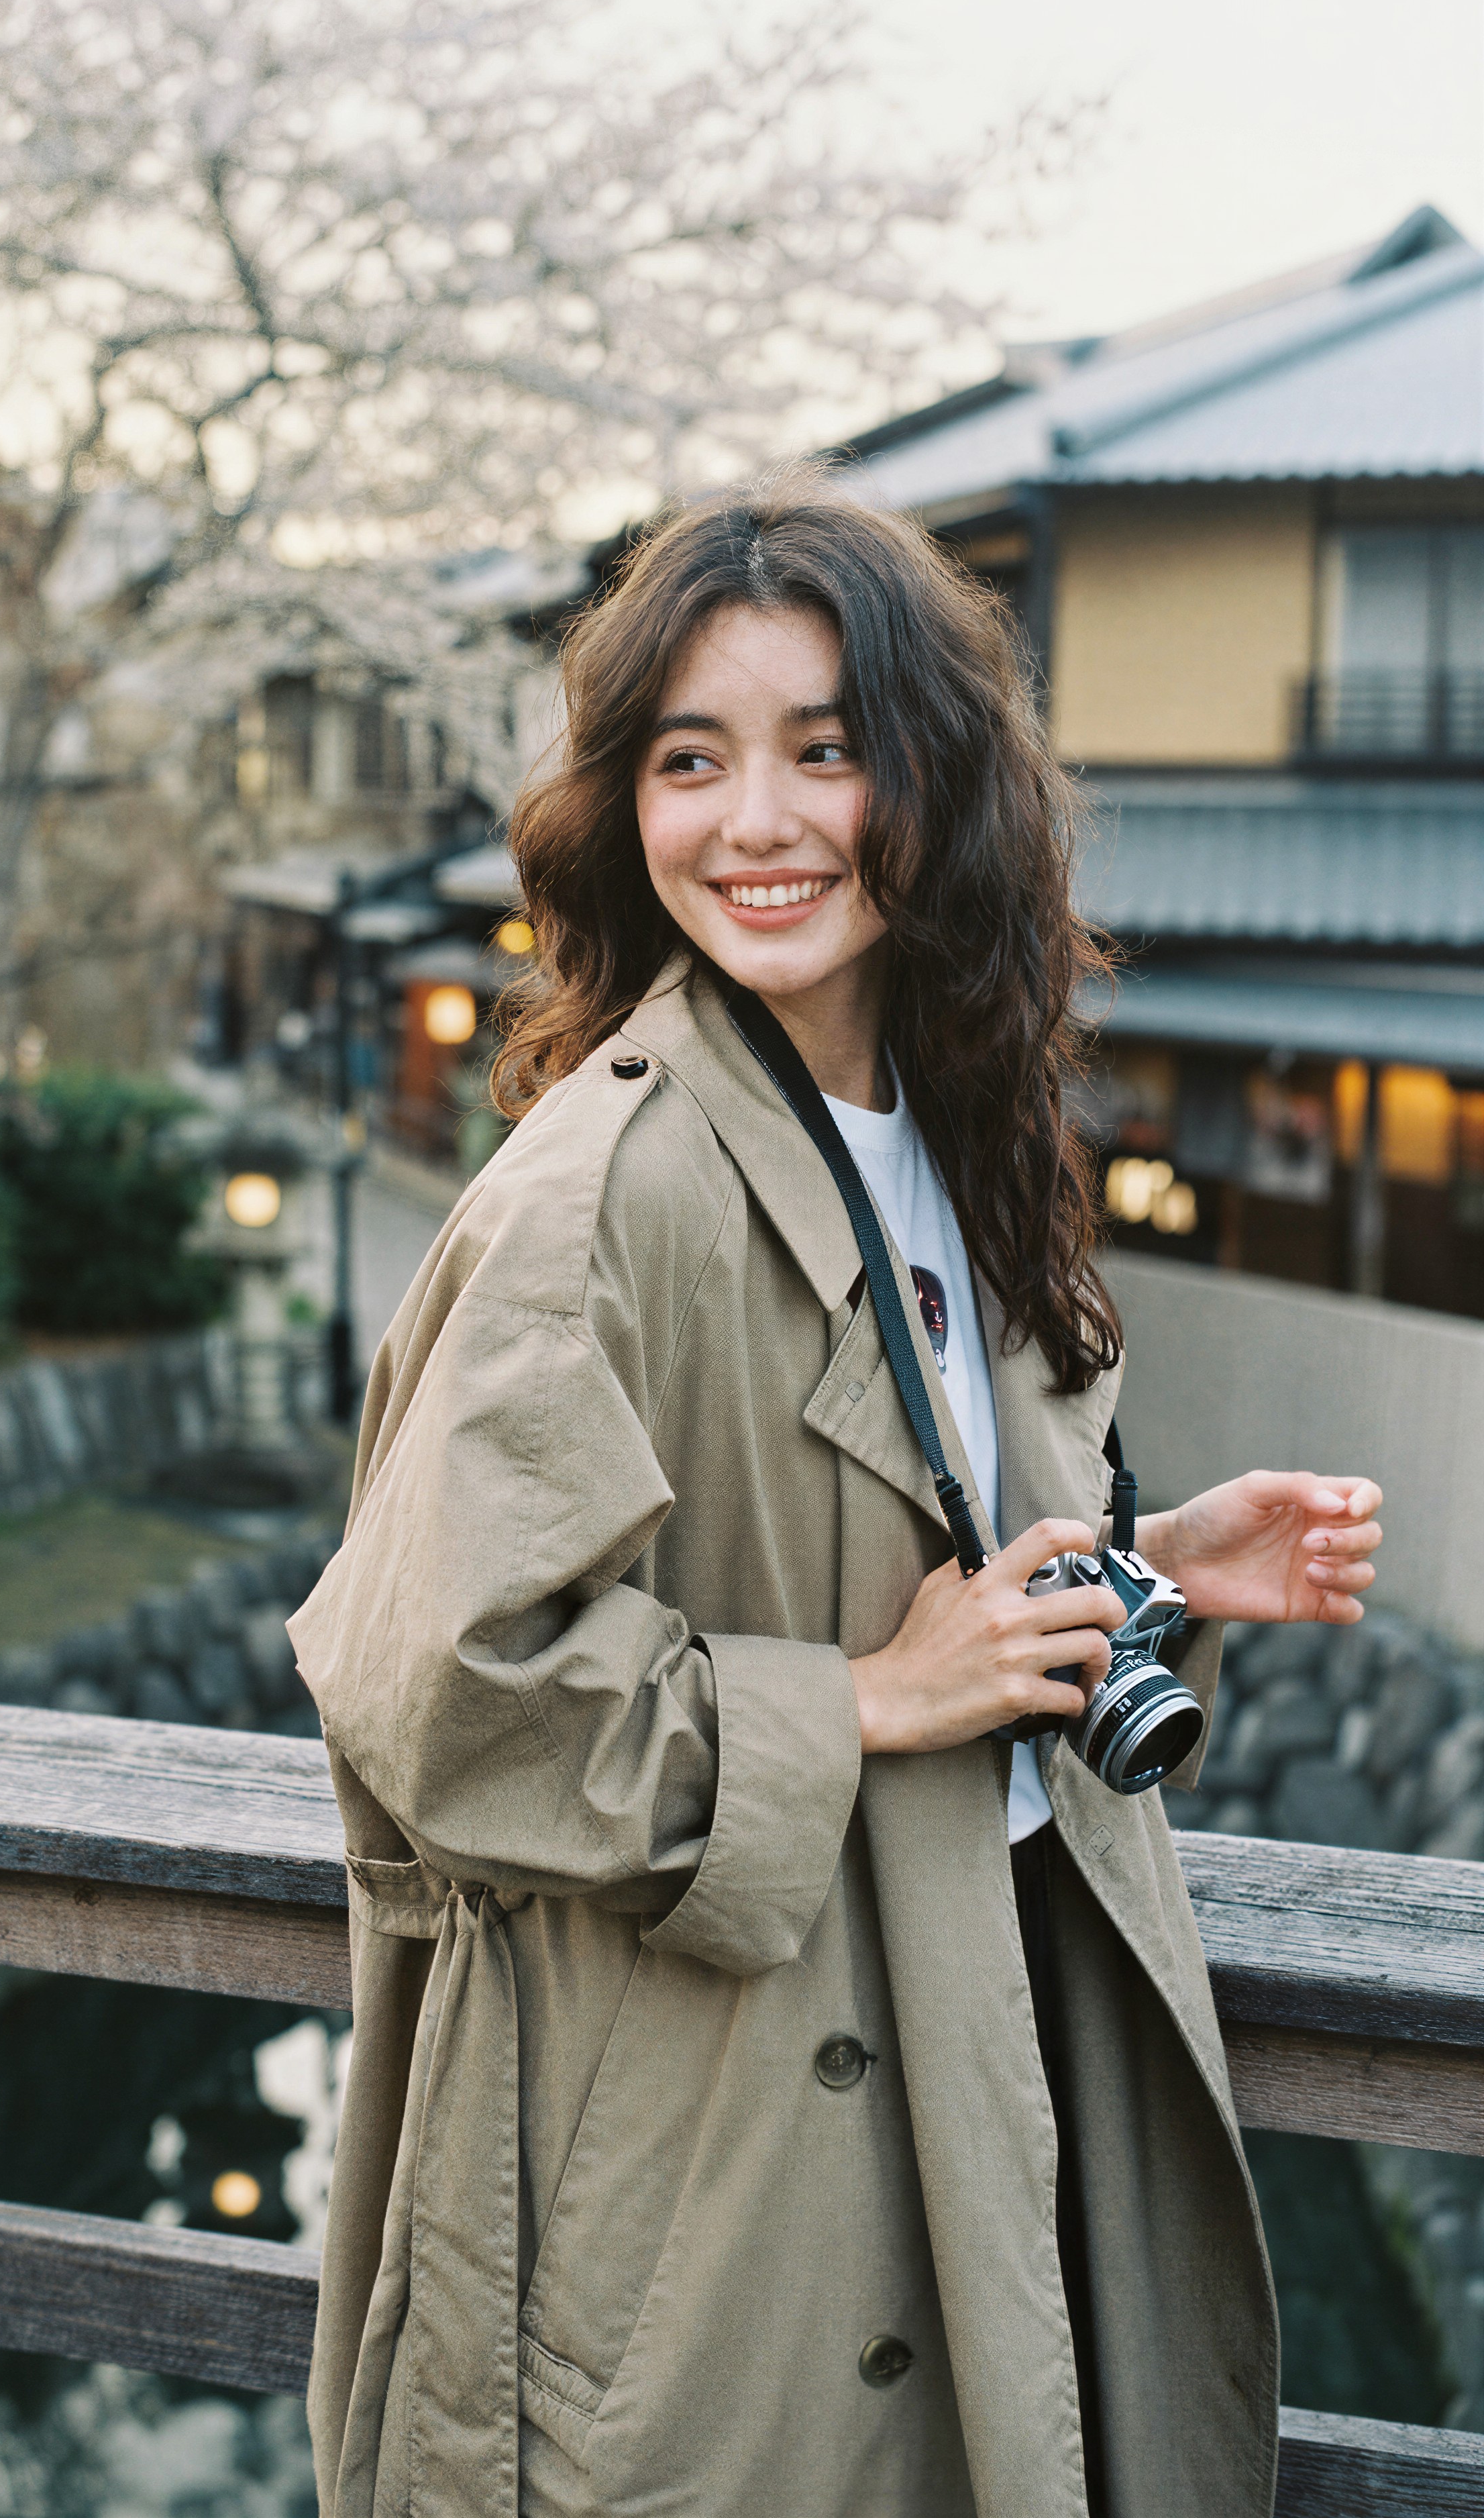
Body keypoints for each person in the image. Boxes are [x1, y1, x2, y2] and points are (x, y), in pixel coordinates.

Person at [286, 474, 1383, 2518]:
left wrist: (1150, 1568)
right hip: (726, 2157)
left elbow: (907, 1568)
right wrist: (866, 1703)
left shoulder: (963, 1133)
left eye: (828, 749)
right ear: (623, 803)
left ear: (937, 783)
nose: (756, 823)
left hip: (977, 2034)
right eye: (690, 761)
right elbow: (440, 1693)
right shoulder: (602, 1186)